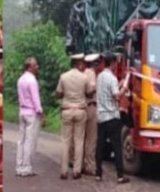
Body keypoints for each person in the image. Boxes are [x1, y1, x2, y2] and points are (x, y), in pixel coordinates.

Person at [94, 52, 130, 184]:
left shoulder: (100, 77)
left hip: (101, 116)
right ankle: (120, 175)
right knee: (117, 146)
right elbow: (116, 96)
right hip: (112, 117)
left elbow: (106, 92)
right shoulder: (112, 78)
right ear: (113, 63)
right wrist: (124, 88)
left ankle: (98, 173)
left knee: (100, 145)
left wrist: (119, 84)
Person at [55, 54, 92, 179]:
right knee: (79, 141)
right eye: (83, 63)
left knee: (65, 141)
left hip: (67, 110)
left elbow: (59, 93)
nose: (84, 66)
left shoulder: (63, 77)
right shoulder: (84, 77)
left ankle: (64, 171)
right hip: (80, 110)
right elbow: (89, 93)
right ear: (79, 64)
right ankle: (77, 170)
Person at [16, 57, 43, 177]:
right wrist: (40, 112)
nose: (37, 67)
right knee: (29, 140)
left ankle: (19, 166)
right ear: (30, 67)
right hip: (31, 113)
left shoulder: (20, 79)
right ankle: (27, 167)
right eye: (35, 65)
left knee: (21, 140)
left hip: (22, 111)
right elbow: (35, 98)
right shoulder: (32, 81)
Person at [82, 53, 100, 175]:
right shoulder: (91, 73)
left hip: (82, 107)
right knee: (91, 139)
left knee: (80, 137)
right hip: (91, 106)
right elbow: (91, 89)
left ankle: (78, 163)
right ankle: (89, 165)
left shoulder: (81, 73)